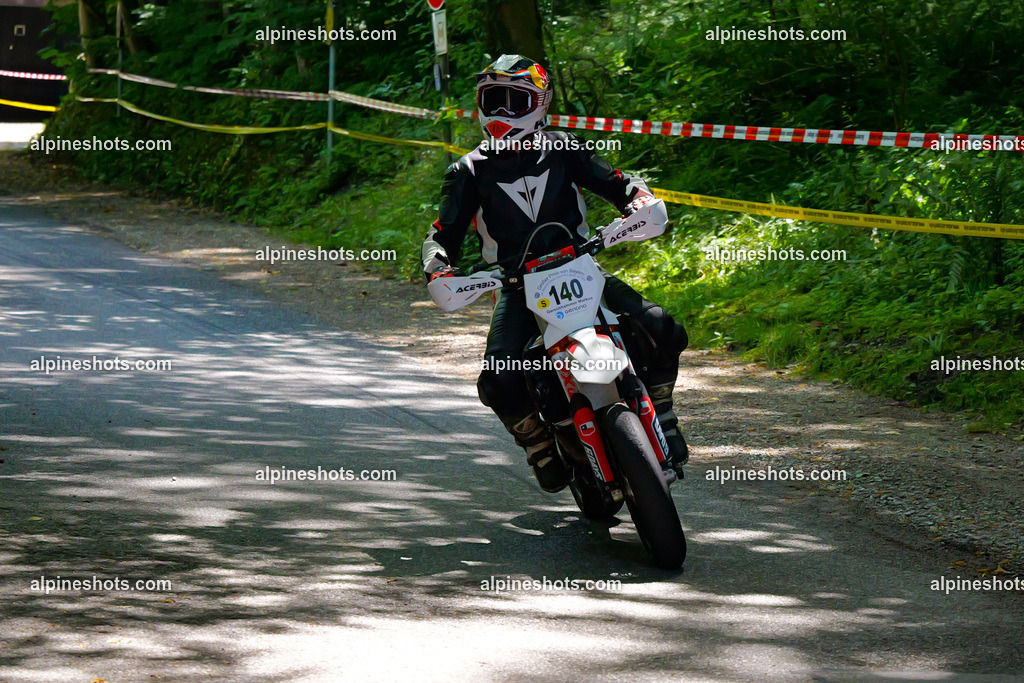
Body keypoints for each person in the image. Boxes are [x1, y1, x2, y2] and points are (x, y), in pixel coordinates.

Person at [422, 54, 688, 492]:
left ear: (540, 102)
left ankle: (662, 408)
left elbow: (619, 184)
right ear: (480, 105)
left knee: (659, 325)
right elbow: (442, 234)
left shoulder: (566, 146)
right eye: (494, 100)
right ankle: (539, 445)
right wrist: (439, 268)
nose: (503, 112)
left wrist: (638, 203)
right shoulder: (467, 171)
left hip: (579, 266)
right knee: (499, 377)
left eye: (516, 99)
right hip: (516, 283)